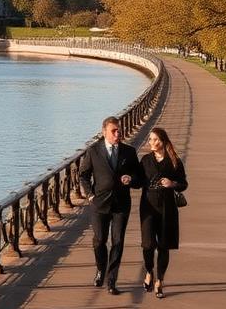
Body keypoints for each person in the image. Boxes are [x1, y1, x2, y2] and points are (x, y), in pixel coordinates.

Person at [78, 115, 141, 294]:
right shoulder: (94, 151)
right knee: (99, 240)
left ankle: (112, 280)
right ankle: (100, 269)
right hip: (99, 203)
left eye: (118, 130)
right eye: (113, 131)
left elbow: (139, 177)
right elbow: (83, 175)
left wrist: (131, 179)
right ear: (104, 132)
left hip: (121, 204)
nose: (117, 133)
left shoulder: (128, 152)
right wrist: (89, 195)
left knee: (118, 241)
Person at [138, 126, 187, 299]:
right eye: (150, 139)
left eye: (156, 139)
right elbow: (138, 180)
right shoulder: (145, 160)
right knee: (148, 244)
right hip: (148, 206)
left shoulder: (174, 161)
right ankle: (149, 271)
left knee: (164, 246)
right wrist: (127, 179)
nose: (152, 142)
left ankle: (160, 281)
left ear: (163, 141)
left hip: (167, 207)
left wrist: (172, 184)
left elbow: (183, 183)